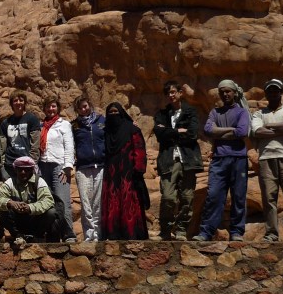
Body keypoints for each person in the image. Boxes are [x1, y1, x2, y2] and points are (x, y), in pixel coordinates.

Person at [193, 80, 251, 242]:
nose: (225, 94)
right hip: (219, 159)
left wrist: (218, 132)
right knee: (214, 196)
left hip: (238, 158)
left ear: (234, 93)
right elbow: (208, 130)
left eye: (228, 91)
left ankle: (237, 232)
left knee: (238, 196)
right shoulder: (215, 112)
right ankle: (206, 232)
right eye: (222, 92)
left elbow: (242, 132)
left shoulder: (242, 112)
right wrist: (231, 130)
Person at [251, 79, 283, 241]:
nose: (273, 93)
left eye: (276, 90)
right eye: (270, 91)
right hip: (266, 158)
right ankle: (271, 233)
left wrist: (268, 127)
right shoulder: (258, 114)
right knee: (269, 198)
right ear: (266, 94)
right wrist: (281, 129)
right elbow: (257, 132)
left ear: (281, 92)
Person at [153, 81, 202, 240]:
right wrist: (178, 131)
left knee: (187, 197)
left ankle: (181, 230)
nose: (171, 95)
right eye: (168, 93)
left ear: (180, 92)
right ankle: (165, 230)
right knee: (168, 197)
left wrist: (169, 132)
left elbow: (193, 133)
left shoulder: (190, 112)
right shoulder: (162, 114)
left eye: (173, 92)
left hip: (188, 159)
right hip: (168, 160)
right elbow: (159, 134)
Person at [101, 102, 149, 240]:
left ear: (121, 113)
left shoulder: (132, 129)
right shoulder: (106, 131)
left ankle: (131, 233)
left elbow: (139, 150)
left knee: (129, 202)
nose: (113, 115)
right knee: (112, 203)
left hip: (128, 174)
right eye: (111, 112)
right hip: (111, 174)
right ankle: (113, 233)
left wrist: (138, 170)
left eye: (116, 112)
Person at [0, 156, 56, 247]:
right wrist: (10, 203)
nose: (23, 172)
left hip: (34, 219)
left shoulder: (39, 182)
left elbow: (48, 201)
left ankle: (37, 236)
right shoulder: (10, 182)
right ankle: (17, 235)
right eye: (20, 169)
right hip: (16, 220)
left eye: (26, 170)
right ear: (15, 170)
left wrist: (30, 207)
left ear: (32, 170)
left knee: (51, 212)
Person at [39, 98, 77, 242]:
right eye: (48, 106)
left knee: (62, 199)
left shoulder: (64, 125)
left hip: (59, 165)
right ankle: (52, 234)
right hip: (43, 166)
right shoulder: (41, 126)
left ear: (58, 108)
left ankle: (68, 233)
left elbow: (69, 146)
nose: (51, 109)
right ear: (44, 109)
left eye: (53, 106)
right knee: (47, 201)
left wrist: (67, 167)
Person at [71, 96, 106, 242]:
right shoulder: (74, 125)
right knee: (86, 204)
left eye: (85, 106)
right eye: (80, 108)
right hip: (82, 168)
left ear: (89, 105)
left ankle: (98, 235)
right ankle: (89, 236)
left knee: (97, 203)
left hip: (101, 166)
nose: (83, 109)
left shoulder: (101, 121)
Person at [0, 90, 41, 182]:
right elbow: (2, 146)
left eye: (21, 100)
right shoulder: (6, 123)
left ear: (25, 102)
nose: (18, 103)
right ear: (11, 104)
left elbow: (35, 143)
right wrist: (2, 164)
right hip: (9, 165)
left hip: (26, 164)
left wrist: (33, 162)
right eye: (15, 101)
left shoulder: (32, 119)